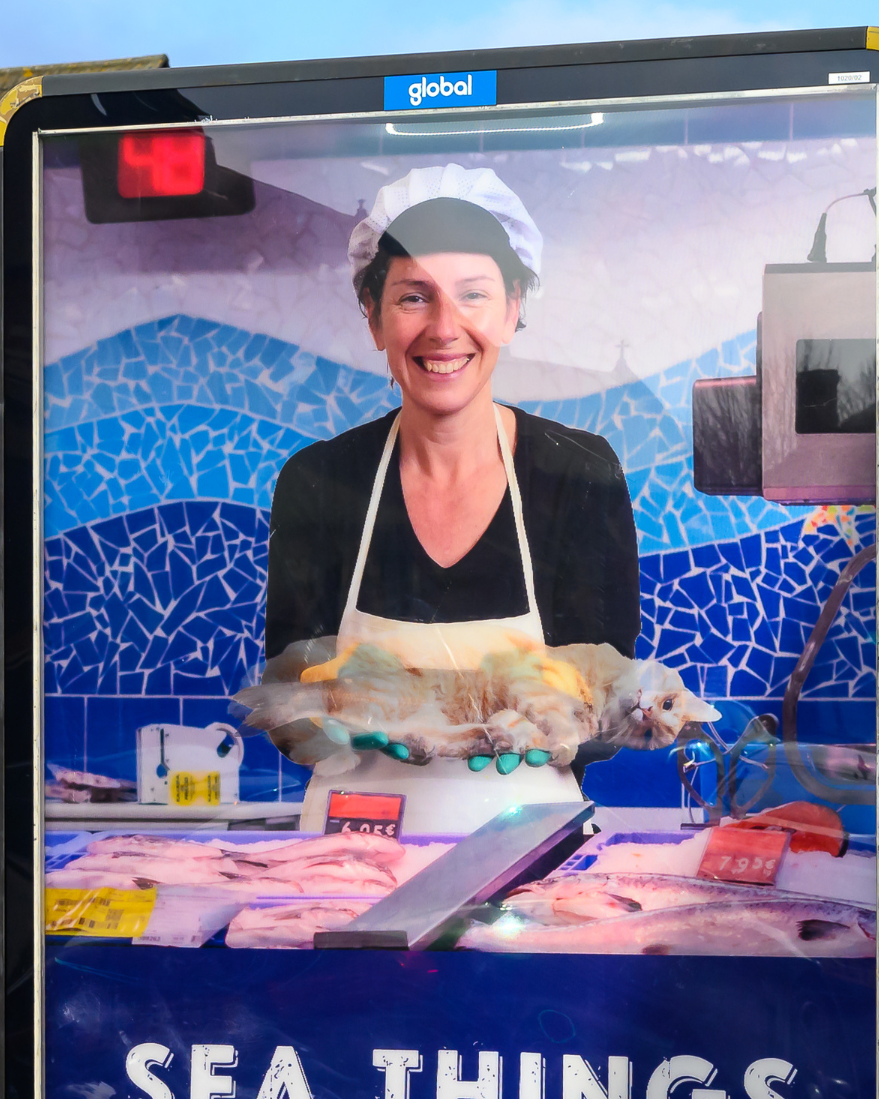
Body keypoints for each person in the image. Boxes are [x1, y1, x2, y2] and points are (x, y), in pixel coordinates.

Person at [264, 165, 641, 728]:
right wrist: (339, 731)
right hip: (359, 815)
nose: (444, 328)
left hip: (538, 814)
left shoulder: (579, 476)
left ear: (512, 309)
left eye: (473, 296)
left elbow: (610, 703)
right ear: (373, 318)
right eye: (414, 297)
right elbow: (288, 704)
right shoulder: (319, 483)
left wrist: (548, 730)